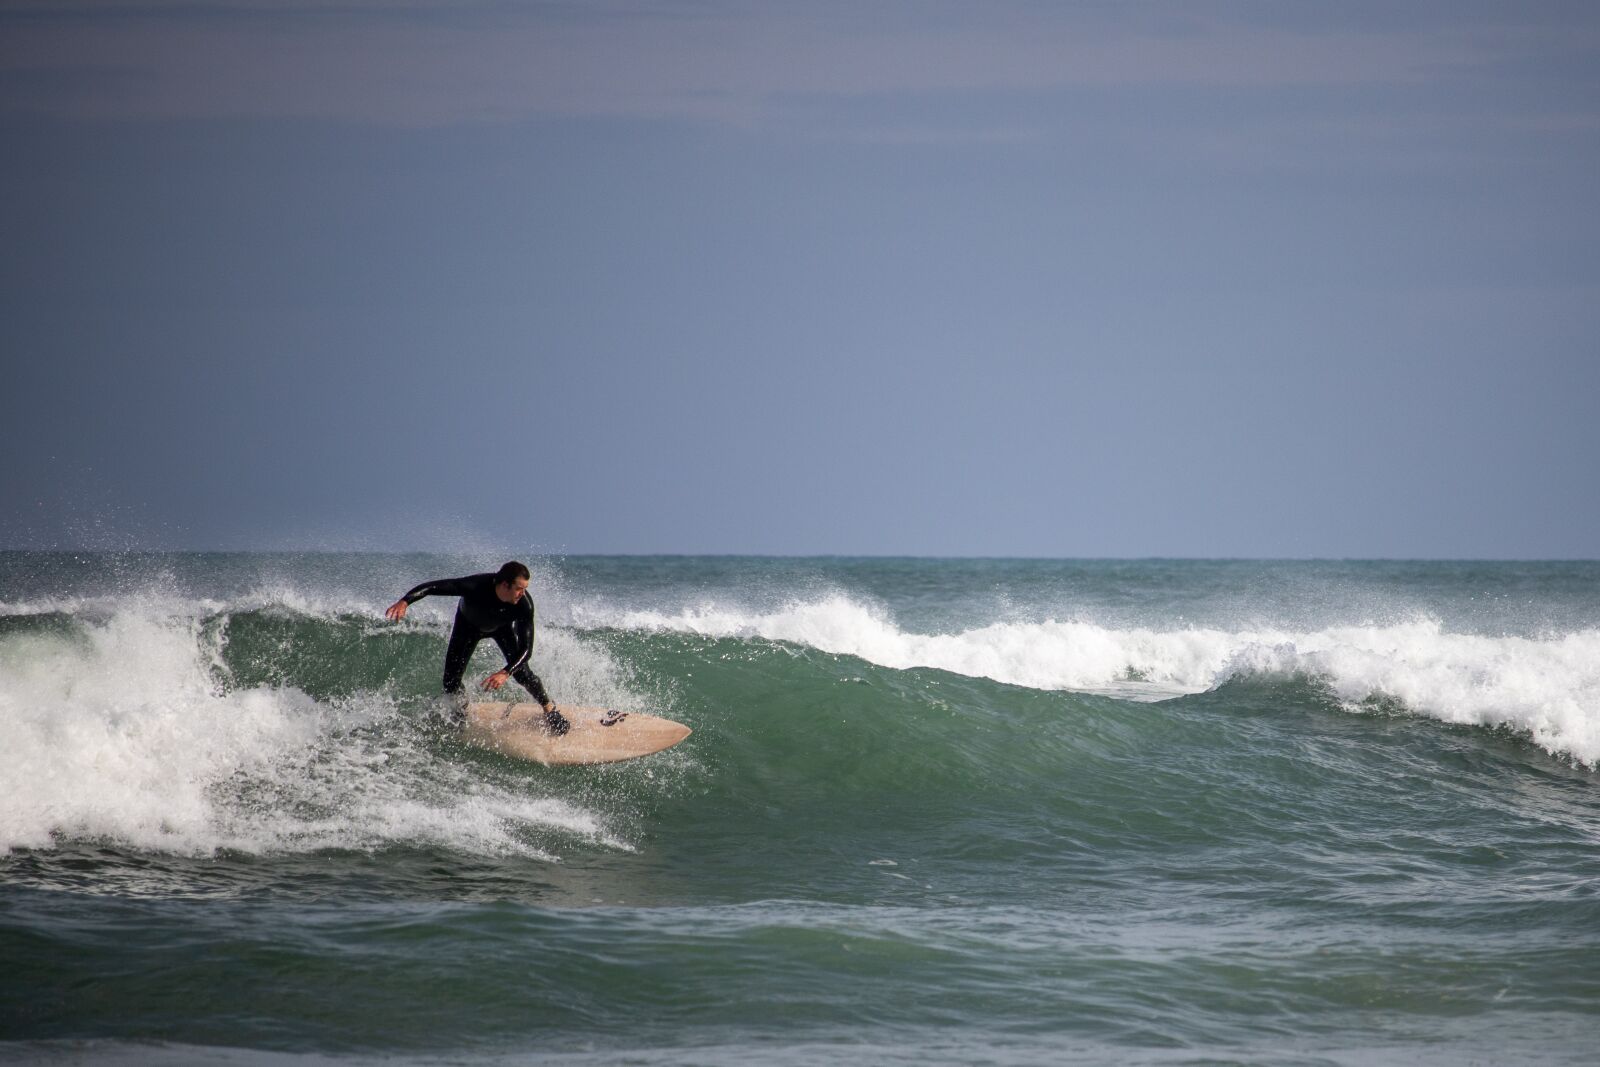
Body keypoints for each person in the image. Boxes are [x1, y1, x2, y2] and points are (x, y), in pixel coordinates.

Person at [385, 561, 569, 735]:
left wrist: (505, 672)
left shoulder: (523, 605)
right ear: (505, 585)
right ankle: (461, 710)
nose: (523, 593)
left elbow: (526, 650)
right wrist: (405, 601)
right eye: (519, 588)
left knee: (522, 673)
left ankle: (549, 709)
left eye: (524, 589)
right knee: (451, 682)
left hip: (501, 629)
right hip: (467, 628)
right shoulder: (475, 586)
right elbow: (434, 587)